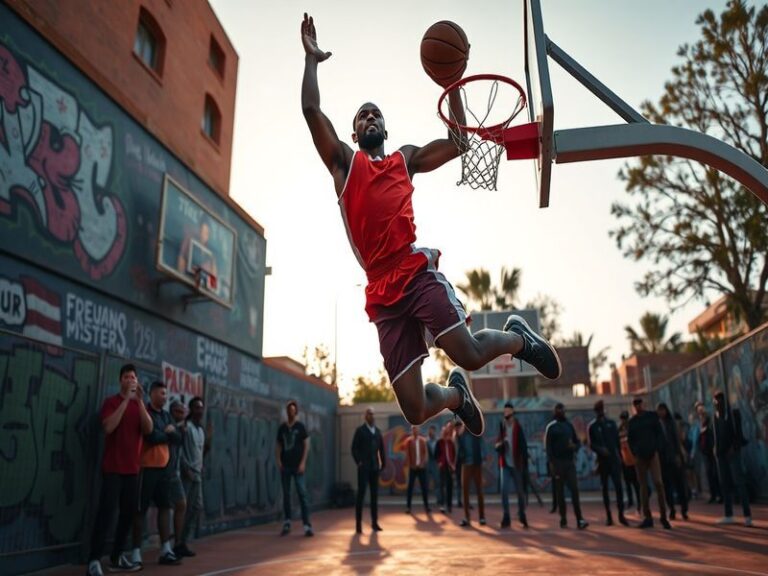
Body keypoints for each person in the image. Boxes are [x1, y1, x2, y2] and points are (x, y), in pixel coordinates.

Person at [300, 13, 562, 439]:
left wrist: (452, 86)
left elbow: (460, 144)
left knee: (472, 353)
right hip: (381, 294)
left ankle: (518, 339)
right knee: (417, 410)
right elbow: (311, 110)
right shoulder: (345, 165)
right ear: (352, 132)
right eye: (362, 116)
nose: (369, 118)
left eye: (376, 115)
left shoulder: (405, 158)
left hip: (413, 272)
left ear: (385, 128)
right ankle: (457, 397)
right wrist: (311, 60)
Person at [86, 364, 153, 576]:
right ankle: (94, 560)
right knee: (105, 514)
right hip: (113, 468)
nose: (131, 380)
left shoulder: (139, 405)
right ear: (120, 380)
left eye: (133, 377)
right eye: (126, 377)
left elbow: (149, 429)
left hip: (132, 471)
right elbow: (108, 427)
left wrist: (139, 401)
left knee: (127, 515)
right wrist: (126, 400)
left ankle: (116, 556)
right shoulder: (111, 402)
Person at [132, 381, 183, 566]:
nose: (165, 396)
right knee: (140, 510)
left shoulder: (167, 416)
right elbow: (151, 436)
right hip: (146, 468)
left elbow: (178, 438)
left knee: (165, 508)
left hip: (164, 470)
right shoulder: (145, 412)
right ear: (152, 394)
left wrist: (167, 433)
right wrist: (166, 433)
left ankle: (165, 550)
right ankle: (136, 552)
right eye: (162, 393)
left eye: (166, 394)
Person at [628, 396, 670, 529]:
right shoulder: (632, 422)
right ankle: (647, 517)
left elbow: (659, 434)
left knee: (658, 483)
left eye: (639, 403)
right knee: (643, 487)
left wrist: (657, 448)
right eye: (636, 404)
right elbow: (630, 440)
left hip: (652, 454)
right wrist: (635, 452)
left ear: (643, 404)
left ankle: (664, 517)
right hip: (640, 457)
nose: (638, 406)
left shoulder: (652, 417)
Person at [544, 403, 588, 529]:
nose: (561, 412)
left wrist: (574, 447)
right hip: (557, 464)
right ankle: (563, 518)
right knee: (560, 493)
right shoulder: (551, 427)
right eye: (558, 410)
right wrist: (551, 464)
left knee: (574, 490)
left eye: (562, 410)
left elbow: (577, 442)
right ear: (555, 412)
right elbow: (548, 448)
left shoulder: (569, 426)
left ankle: (579, 518)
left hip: (569, 463)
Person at [712, 391, 752, 526]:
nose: (717, 404)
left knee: (739, 482)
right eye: (715, 401)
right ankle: (728, 514)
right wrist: (716, 451)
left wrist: (734, 447)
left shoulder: (733, 414)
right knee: (725, 484)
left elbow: (738, 433)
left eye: (719, 401)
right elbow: (716, 436)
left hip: (733, 453)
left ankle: (747, 515)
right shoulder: (715, 416)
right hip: (721, 455)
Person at [177, 396, 209, 557]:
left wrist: (200, 466)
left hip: (197, 474)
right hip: (187, 474)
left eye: (201, 408)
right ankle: (177, 543)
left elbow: (201, 451)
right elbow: (180, 450)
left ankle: (183, 540)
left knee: (196, 507)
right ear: (191, 410)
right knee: (183, 508)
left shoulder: (201, 429)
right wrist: (185, 468)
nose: (200, 410)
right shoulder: (186, 427)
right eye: (197, 407)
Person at [588, 400, 628, 526]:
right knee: (604, 488)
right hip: (603, 461)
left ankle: (621, 514)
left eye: (601, 409)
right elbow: (591, 444)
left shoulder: (611, 424)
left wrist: (620, 457)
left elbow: (617, 442)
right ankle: (609, 515)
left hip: (614, 460)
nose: (600, 412)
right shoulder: (592, 426)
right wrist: (600, 450)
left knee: (618, 487)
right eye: (598, 410)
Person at [276, 400, 312, 536]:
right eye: (289, 410)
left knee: (302, 494)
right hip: (286, 466)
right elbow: (278, 445)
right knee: (286, 494)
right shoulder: (282, 428)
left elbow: (306, 445)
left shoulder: (300, 427)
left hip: (298, 467)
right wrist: (278, 460)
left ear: (296, 412)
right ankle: (287, 522)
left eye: (293, 410)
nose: (291, 412)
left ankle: (307, 525)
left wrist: (303, 463)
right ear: (287, 412)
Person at [351, 407, 386, 533]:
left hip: (374, 468)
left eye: (373, 414)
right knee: (361, 495)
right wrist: (359, 462)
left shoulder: (377, 432)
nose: (371, 416)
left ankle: (374, 523)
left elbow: (381, 449)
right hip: (363, 468)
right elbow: (354, 448)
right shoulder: (360, 431)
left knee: (374, 496)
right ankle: (358, 525)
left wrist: (383, 464)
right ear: (365, 416)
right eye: (369, 414)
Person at [496, 402, 528, 528]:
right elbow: (497, 443)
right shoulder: (502, 426)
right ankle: (506, 517)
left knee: (520, 492)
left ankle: (522, 515)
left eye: (508, 412)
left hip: (516, 464)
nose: (506, 415)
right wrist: (501, 444)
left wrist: (524, 463)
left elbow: (523, 446)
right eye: (505, 413)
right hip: (505, 464)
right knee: (504, 491)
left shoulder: (518, 427)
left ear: (513, 413)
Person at [656, 403, 689, 521]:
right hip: (663, 460)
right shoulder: (656, 425)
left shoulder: (671, 423)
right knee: (666, 486)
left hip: (674, 457)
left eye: (663, 410)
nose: (661, 412)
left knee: (680, 484)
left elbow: (677, 441)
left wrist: (678, 456)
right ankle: (672, 509)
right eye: (659, 410)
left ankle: (684, 509)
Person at [457, 419, 486, 527]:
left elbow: (482, 444)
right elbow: (457, 445)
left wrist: (484, 458)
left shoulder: (476, 432)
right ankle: (466, 517)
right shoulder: (461, 434)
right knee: (465, 491)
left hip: (477, 464)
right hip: (466, 464)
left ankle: (482, 517)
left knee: (479, 490)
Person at [696, 402, 722, 504]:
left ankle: (720, 494)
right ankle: (713, 494)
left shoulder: (710, 422)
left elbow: (711, 436)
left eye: (702, 413)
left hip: (712, 451)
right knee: (709, 474)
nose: (701, 415)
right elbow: (700, 438)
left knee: (715, 473)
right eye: (699, 413)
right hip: (705, 452)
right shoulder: (700, 424)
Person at [404, 425, 430, 514]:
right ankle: (408, 507)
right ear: (411, 431)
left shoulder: (423, 440)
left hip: (422, 468)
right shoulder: (409, 441)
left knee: (424, 488)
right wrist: (410, 465)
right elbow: (407, 454)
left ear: (419, 430)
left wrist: (423, 463)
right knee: (410, 488)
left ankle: (426, 507)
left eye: (416, 430)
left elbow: (425, 453)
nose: (415, 431)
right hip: (413, 468)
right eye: (413, 430)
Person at [618, 410, 641, 513]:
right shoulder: (619, 430)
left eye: (625, 419)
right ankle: (631, 501)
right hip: (624, 460)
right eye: (623, 419)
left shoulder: (633, 428)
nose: (624, 421)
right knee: (627, 483)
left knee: (636, 483)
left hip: (633, 460)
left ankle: (639, 503)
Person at [436, 421, 457, 514]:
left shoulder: (450, 442)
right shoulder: (439, 442)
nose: (445, 434)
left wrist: (453, 464)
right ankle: (442, 505)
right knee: (442, 486)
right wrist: (439, 462)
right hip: (442, 467)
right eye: (443, 432)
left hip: (450, 467)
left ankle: (449, 505)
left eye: (446, 432)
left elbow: (454, 454)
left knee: (450, 487)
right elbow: (435, 454)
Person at [427, 424, 442, 509]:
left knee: (437, 482)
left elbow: (440, 452)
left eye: (432, 430)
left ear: (434, 431)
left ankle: (439, 499)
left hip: (435, 463)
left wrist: (439, 462)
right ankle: (427, 501)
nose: (431, 432)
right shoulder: (426, 441)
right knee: (427, 482)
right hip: (428, 463)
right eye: (430, 430)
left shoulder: (437, 441)